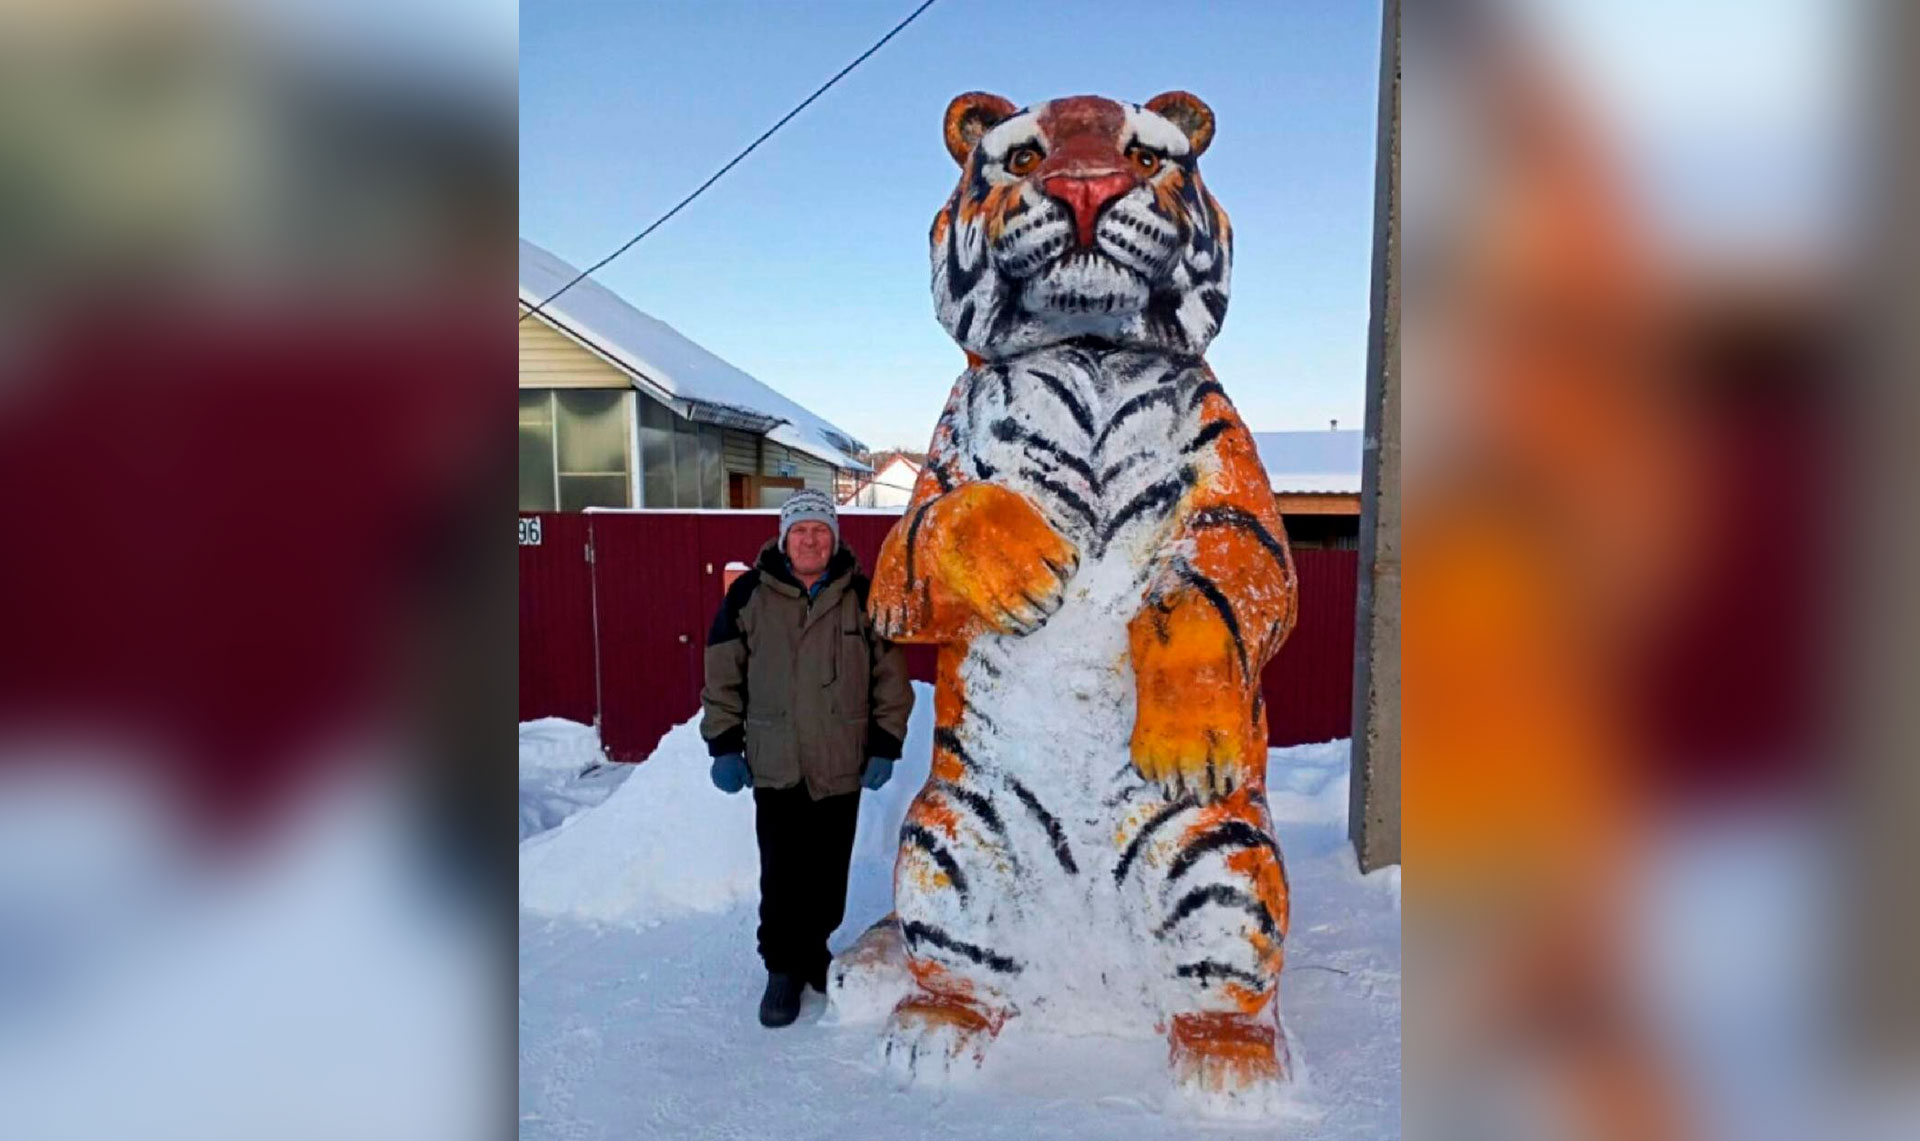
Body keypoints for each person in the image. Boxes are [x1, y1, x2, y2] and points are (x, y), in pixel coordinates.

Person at [699, 489, 914, 1027]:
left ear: (834, 538)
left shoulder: (862, 596)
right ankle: (781, 970)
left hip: (839, 758)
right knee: (782, 870)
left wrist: (885, 743)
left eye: (821, 530)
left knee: (827, 871)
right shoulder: (749, 594)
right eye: (801, 531)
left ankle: (815, 950)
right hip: (776, 759)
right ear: (784, 537)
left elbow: (891, 677)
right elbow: (723, 674)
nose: (811, 539)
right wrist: (724, 743)